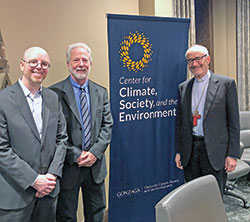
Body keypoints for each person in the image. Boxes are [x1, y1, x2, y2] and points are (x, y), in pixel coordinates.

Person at [0, 46, 68, 222]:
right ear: (22, 65)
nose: (39, 67)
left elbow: (62, 139)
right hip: (16, 195)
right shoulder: (3, 100)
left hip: (48, 192)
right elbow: (2, 149)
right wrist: (34, 180)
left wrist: (52, 176)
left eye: (44, 64)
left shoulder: (53, 98)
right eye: (33, 62)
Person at [50, 42, 113, 222]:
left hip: (95, 167)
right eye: (76, 60)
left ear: (90, 63)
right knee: (66, 215)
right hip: (69, 166)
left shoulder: (101, 92)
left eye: (85, 60)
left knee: (97, 213)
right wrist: (76, 155)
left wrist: (94, 153)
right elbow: (52, 134)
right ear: (68, 64)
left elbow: (107, 125)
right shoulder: (54, 93)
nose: (81, 64)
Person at [175, 44, 240, 195]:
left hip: (215, 151)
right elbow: (180, 123)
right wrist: (179, 151)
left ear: (208, 59)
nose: (194, 64)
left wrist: (232, 155)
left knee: (214, 196)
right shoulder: (183, 87)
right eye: (190, 61)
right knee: (193, 195)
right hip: (190, 151)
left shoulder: (226, 84)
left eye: (198, 59)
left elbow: (234, 123)